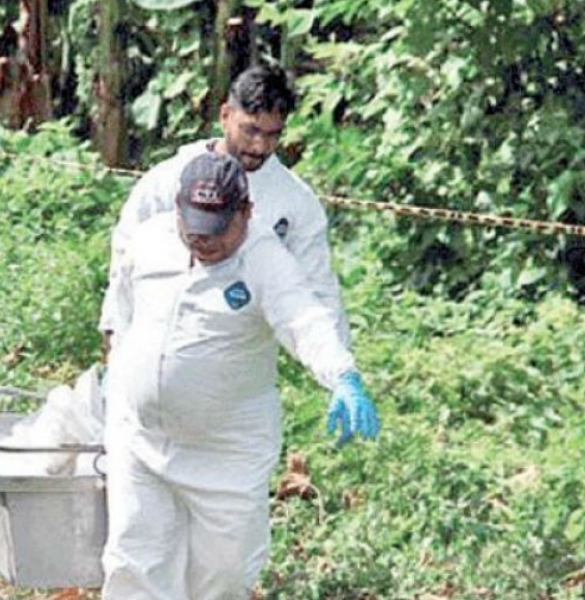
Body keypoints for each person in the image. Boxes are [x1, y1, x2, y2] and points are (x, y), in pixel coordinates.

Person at [100, 151, 380, 600]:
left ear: (245, 213)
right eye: (193, 230)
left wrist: (342, 375)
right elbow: (122, 304)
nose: (203, 243)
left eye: (216, 231)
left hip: (226, 452)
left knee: (224, 576)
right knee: (133, 562)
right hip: (140, 438)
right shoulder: (150, 241)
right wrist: (117, 361)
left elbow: (304, 318)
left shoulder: (265, 259)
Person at [99, 61, 351, 356]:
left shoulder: (294, 202)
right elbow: (126, 257)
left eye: (272, 135)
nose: (259, 146)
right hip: (157, 342)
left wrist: (341, 371)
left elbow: (318, 288)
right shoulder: (169, 180)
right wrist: (115, 332)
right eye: (251, 130)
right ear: (225, 115)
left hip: (238, 357)